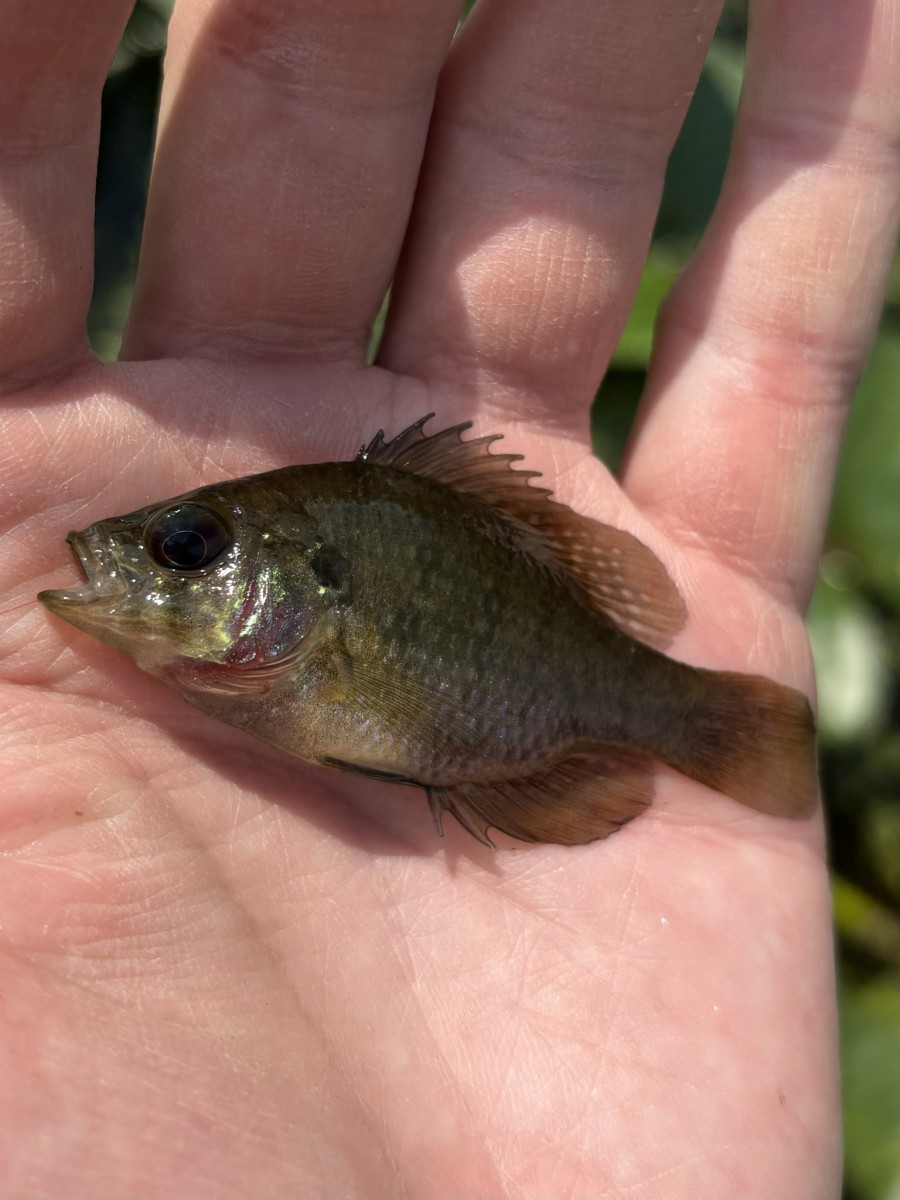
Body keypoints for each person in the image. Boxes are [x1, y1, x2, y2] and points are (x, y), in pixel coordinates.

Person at [1, 0, 896, 1194]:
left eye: (185, 548)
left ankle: (707, 724)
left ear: (306, 584)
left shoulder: (321, 633)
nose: (133, 560)